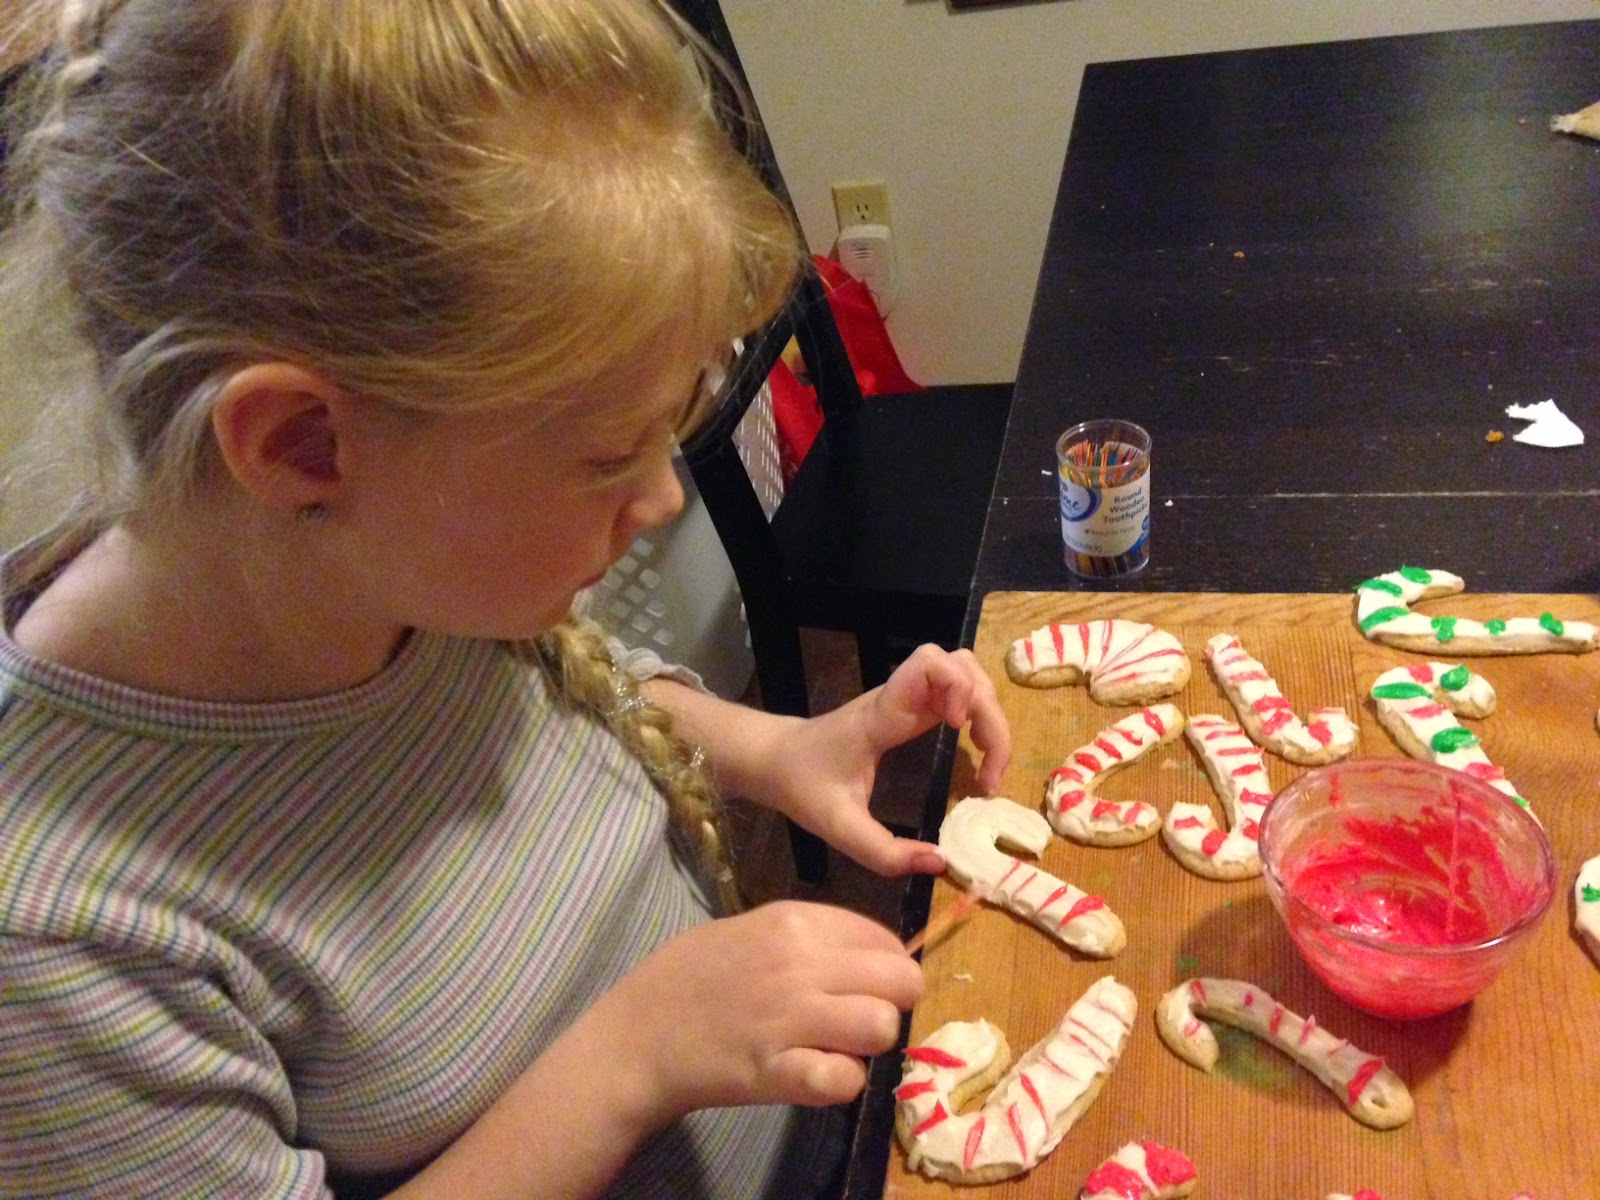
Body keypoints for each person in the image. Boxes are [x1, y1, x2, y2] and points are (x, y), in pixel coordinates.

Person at [0, 2, 1011, 1198]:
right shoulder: (60, 930)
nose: (660, 502)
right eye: (607, 457)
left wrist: (778, 749)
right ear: (302, 445)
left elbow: (569, 703)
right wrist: (632, 1059)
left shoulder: (366, 572)